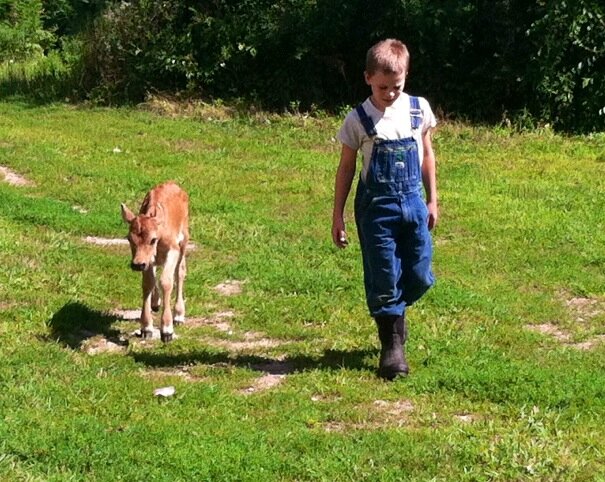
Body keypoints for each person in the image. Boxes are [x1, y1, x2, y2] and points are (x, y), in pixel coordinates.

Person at [331, 38, 438, 380]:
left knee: (420, 274)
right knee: (383, 276)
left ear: (406, 77)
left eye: (396, 86)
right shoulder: (358, 119)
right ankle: (392, 345)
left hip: (413, 204)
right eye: (382, 87)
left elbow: (427, 155)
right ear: (367, 78)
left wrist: (432, 198)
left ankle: (393, 313)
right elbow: (346, 167)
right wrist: (338, 214)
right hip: (376, 209)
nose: (389, 93)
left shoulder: (418, 110)